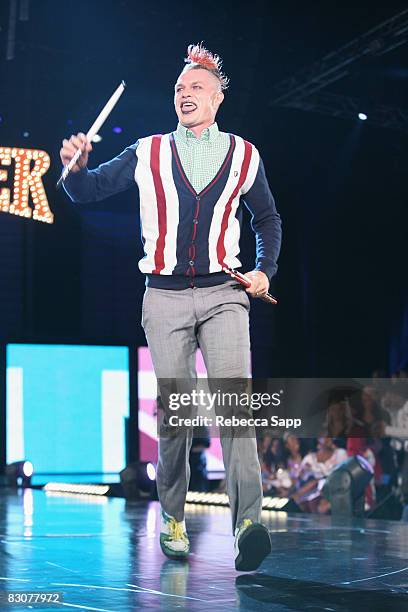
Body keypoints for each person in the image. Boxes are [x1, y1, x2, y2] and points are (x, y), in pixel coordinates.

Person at [60, 43, 282, 571]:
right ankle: (174, 516)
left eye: (196, 87)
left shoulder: (245, 155)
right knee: (177, 416)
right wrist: (73, 168)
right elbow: (86, 191)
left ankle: (248, 522)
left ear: (218, 97)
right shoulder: (147, 151)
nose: (186, 94)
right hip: (162, 296)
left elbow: (268, 221)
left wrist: (262, 270)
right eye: (179, 88)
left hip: (225, 294)